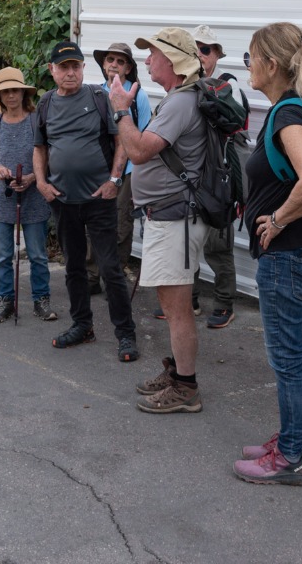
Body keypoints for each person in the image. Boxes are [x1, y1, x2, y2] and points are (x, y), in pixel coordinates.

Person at [234, 21, 302, 486]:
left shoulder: (289, 115)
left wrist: (276, 220)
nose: (248, 67)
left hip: (289, 257)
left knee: (289, 358)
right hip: (297, 257)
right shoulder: (296, 109)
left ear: (271, 64)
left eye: (250, 58)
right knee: (291, 355)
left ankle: (291, 456)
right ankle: (294, 438)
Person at [108, 27, 210, 413]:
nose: (146, 60)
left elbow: (137, 151)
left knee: (177, 307)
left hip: (176, 219)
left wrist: (120, 109)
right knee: (172, 305)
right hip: (170, 218)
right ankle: (178, 374)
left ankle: (186, 387)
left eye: (152, 53)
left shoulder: (181, 102)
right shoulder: (177, 99)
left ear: (173, 60)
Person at [34, 40, 139, 362]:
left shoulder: (98, 98)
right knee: (74, 267)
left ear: (82, 68)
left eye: (75, 66)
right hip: (63, 201)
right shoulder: (46, 103)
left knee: (110, 268)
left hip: (99, 199)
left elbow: (120, 139)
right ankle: (83, 325)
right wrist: (41, 183)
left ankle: (126, 334)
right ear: (52, 71)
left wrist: (114, 179)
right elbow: (40, 147)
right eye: (64, 67)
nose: (70, 72)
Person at [185, 24, 250, 329]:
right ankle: (190, 299)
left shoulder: (228, 84)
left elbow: (234, 122)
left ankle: (225, 303)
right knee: (187, 242)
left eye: (206, 49)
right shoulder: (185, 85)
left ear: (216, 55)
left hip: (220, 178)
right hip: (191, 177)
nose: (200, 54)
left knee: (216, 245)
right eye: (195, 48)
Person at [0, 68, 56, 323]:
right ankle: (5, 301)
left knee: (37, 254)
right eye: (5, 91)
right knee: (2, 255)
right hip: (3, 196)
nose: (11, 95)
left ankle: (41, 300)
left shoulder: (37, 120)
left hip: (34, 196)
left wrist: (35, 178)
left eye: (15, 90)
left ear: (23, 92)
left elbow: (49, 157)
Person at [85, 42, 152, 294]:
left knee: (122, 225)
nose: (113, 64)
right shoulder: (94, 94)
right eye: (110, 59)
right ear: (103, 64)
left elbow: (143, 137)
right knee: (93, 225)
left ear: (128, 68)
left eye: (120, 61)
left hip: (128, 172)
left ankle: (113, 276)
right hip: (97, 170)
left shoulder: (138, 96)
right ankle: (91, 277)